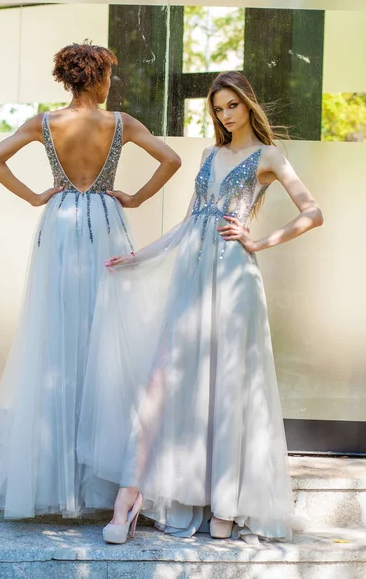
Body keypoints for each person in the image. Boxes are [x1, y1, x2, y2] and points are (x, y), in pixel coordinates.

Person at [85, 70, 323, 544]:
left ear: (248, 105)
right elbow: (189, 221)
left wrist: (259, 241)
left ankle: (226, 505)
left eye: (232, 105)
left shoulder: (270, 156)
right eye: (217, 108)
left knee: (230, 385)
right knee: (163, 382)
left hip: (234, 280)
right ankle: (129, 499)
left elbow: (313, 213)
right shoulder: (208, 154)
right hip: (191, 278)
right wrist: (141, 255)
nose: (224, 114)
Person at [0, 42, 181, 519]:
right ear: (97, 78)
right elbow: (171, 160)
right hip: (106, 222)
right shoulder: (121, 123)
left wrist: (35, 196)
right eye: (109, 74)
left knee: (56, 338)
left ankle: (56, 474)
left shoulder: (45, 123)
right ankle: (105, 477)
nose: (112, 82)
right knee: (106, 338)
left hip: (62, 220)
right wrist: (132, 198)